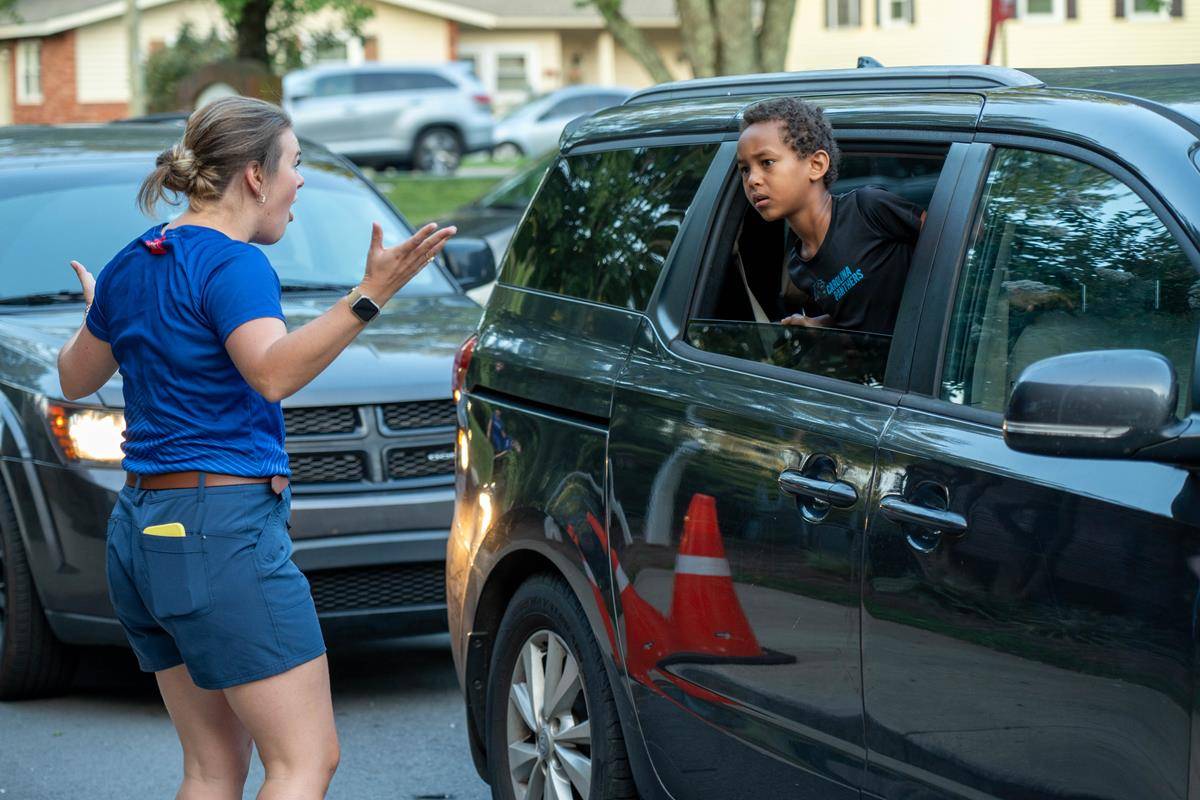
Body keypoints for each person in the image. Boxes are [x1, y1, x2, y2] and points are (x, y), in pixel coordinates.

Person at [56, 96, 456, 800]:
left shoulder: (135, 261)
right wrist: (371, 294)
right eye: (294, 164)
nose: (300, 181)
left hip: (143, 535)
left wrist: (102, 307)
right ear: (254, 175)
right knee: (305, 761)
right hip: (221, 536)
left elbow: (75, 376)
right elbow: (271, 372)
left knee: (212, 770)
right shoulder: (234, 265)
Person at [736, 96, 925, 336]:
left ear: (816, 165)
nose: (753, 180)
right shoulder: (798, 266)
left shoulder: (867, 208)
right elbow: (857, 315)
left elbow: (962, 236)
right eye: (745, 169)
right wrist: (819, 325)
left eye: (767, 162)